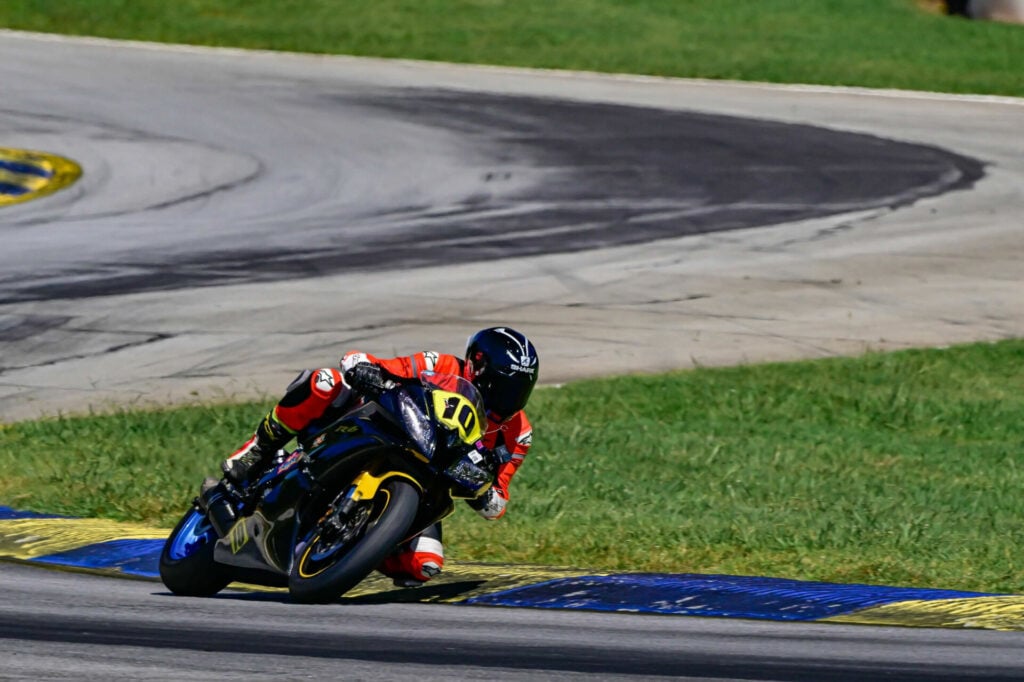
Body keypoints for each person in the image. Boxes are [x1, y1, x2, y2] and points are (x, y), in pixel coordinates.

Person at [217, 327, 538, 587]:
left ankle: (362, 543)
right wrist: (365, 369)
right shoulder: (440, 364)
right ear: (477, 364)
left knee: (425, 565)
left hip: (427, 481)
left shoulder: (519, 432)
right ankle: (258, 450)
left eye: (519, 390)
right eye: (502, 386)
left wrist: (482, 490)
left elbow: (498, 502)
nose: (509, 398)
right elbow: (374, 363)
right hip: (388, 429)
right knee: (326, 383)